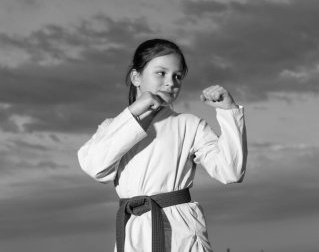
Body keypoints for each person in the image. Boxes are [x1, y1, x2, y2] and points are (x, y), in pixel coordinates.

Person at [77, 38, 247, 252]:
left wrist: (228, 111)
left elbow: (230, 172)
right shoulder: (112, 127)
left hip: (180, 232)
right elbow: (95, 167)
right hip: (133, 233)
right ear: (136, 77)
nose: (171, 82)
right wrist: (134, 112)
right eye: (161, 73)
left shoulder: (189, 125)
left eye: (177, 76)